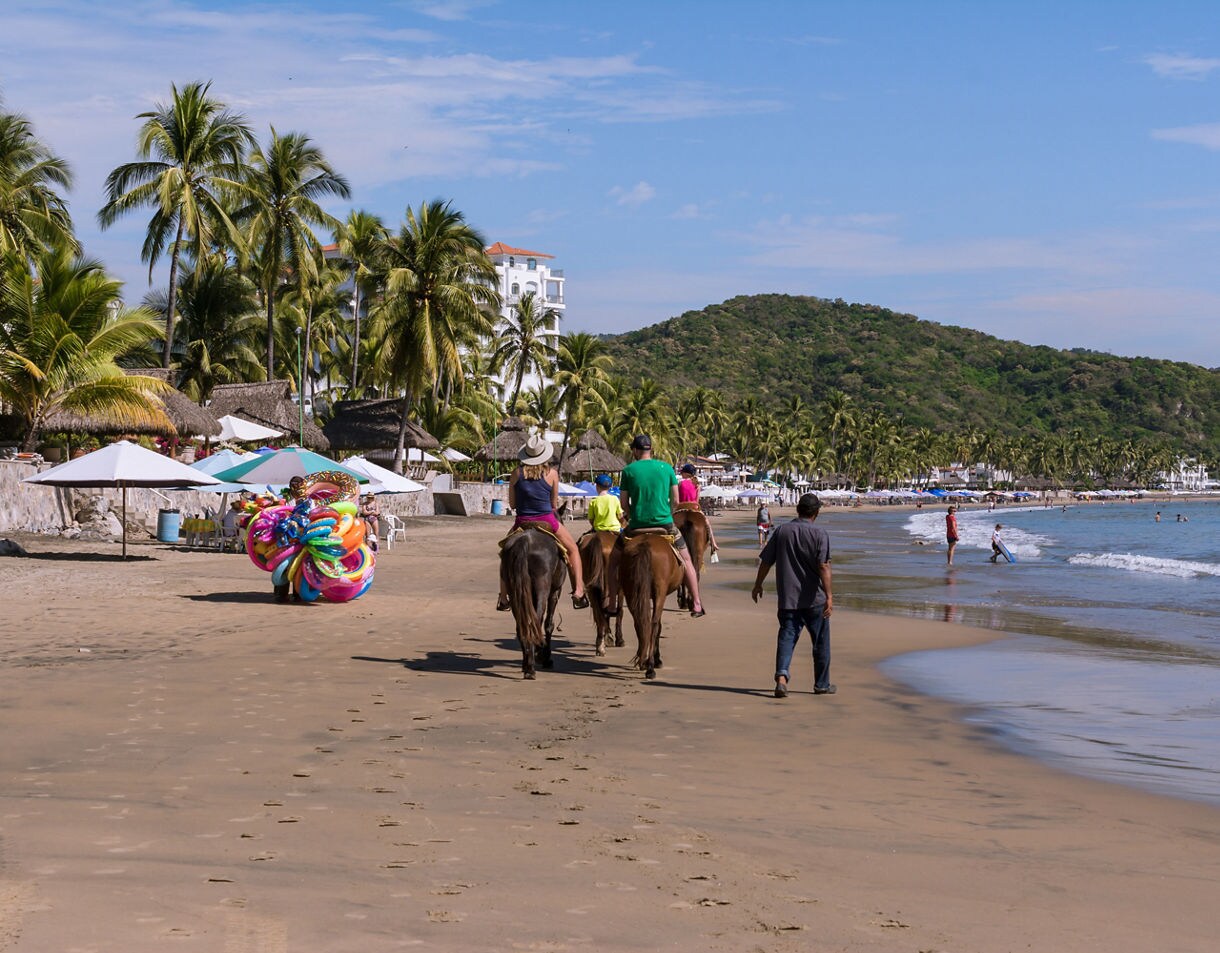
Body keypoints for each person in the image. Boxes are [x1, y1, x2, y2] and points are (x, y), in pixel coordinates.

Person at [751, 493, 834, 698]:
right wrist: (830, 596)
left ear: (798, 509)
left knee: (787, 638)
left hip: (788, 598)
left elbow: (766, 561)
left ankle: (781, 678)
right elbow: (823, 565)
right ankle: (821, 684)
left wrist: (758, 585)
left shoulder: (782, 531)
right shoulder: (820, 534)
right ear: (816, 512)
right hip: (815, 598)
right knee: (821, 642)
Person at [613, 434, 705, 617]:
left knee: (613, 560)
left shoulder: (629, 470)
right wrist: (666, 515)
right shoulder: (667, 469)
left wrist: (633, 515)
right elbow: (676, 501)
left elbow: (623, 504)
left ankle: (609, 602)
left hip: (636, 526)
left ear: (635, 451)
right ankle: (696, 602)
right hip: (665, 525)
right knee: (687, 561)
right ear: (651, 450)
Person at [497, 434, 587, 611]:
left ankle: (503, 597)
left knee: (505, 554)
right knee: (573, 549)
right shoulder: (552, 474)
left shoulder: (516, 473)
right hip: (547, 521)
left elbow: (513, 504)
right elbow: (554, 504)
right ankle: (578, 592)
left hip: (522, 522)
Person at [676, 463, 720, 553]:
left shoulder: (680, 483)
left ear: (686, 473)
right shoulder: (697, 485)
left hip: (681, 508)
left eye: (682, 472)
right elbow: (696, 501)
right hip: (694, 508)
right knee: (707, 523)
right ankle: (713, 543)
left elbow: (677, 499)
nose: (681, 474)